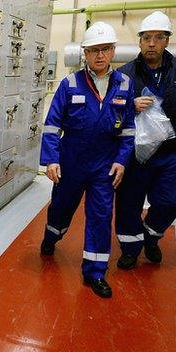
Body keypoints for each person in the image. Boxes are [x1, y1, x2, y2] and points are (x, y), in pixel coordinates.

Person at [39, 21, 136, 299]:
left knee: (101, 217)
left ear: (114, 50)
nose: (100, 55)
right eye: (94, 50)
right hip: (72, 163)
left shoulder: (125, 85)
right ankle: (51, 237)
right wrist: (51, 160)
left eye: (105, 49)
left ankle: (95, 272)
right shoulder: (70, 84)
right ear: (85, 53)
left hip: (104, 166)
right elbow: (52, 124)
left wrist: (122, 160)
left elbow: (129, 129)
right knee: (61, 208)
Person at [114, 11, 176, 269]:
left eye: (158, 37)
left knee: (168, 203)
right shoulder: (124, 74)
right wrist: (130, 106)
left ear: (167, 40)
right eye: (146, 38)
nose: (152, 43)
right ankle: (130, 248)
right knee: (128, 205)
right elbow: (111, 110)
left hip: (169, 152)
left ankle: (151, 237)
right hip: (135, 154)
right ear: (140, 41)